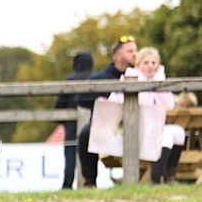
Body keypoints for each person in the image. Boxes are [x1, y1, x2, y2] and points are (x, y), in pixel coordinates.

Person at [75, 35, 138, 188]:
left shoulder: (143, 74)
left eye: (136, 50)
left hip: (139, 126)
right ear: (117, 56)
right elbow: (81, 99)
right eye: (130, 51)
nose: (135, 54)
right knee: (86, 133)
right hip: (109, 128)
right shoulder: (101, 78)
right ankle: (90, 181)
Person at [116, 48, 185, 184]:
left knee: (179, 132)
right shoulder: (129, 79)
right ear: (138, 64)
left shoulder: (158, 80)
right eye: (146, 62)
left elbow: (169, 105)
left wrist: (159, 82)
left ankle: (169, 176)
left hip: (152, 127)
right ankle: (155, 178)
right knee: (165, 136)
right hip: (131, 129)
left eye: (154, 63)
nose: (150, 66)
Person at [55, 51, 93, 189]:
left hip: (70, 123)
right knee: (89, 154)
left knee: (70, 154)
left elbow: (59, 104)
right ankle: (89, 182)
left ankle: (67, 185)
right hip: (91, 123)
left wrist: (60, 119)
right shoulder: (94, 78)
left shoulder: (69, 80)